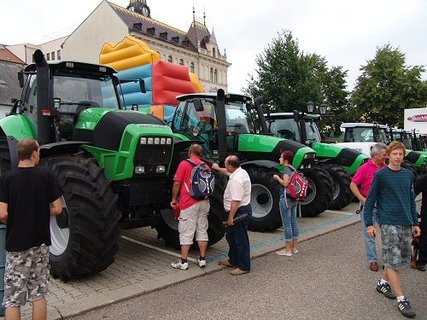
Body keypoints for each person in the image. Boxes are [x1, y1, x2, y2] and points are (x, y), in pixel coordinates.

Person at [0, 138, 63, 320]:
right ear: (34, 153)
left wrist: (18, 217)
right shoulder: (46, 176)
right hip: (40, 243)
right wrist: (41, 211)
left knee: (13, 297)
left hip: (16, 245)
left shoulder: (6, 178)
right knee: (38, 292)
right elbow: (58, 209)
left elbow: (2, 214)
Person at [364, 141, 420, 318]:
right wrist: (369, 224)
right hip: (388, 222)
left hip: (405, 222)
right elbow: (370, 201)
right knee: (393, 260)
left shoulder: (408, 175)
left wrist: (415, 223)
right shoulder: (381, 175)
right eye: (395, 154)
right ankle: (401, 299)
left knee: (398, 259)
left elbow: (411, 200)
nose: (398, 157)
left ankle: (382, 283)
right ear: (388, 155)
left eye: (401, 154)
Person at [170, 143, 210, 270]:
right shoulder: (205, 166)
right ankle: (202, 259)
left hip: (188, 202)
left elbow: (177, 183)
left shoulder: (184, 164)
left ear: (190, 152)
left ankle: (183, 262)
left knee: (186, 231)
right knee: (202, 230)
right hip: (204, 202)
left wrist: (173, 198)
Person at [350, 143, 387, 271]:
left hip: (382, 204)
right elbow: (353, 185)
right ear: (375, 155)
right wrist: (362, 199)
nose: (385, 157)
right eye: (384, 155)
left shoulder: (385, 168)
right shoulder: (364, 168)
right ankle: (373, 260)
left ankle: (387, 260)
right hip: (368, 203)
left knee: (386, 231)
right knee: (370, 233)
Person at [212, 155, 251, 275]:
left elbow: (236, 201)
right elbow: (227, 172)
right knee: (231, 237)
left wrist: (230, 218)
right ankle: (233, 260)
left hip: (238, 212)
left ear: (230, 165)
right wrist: (218, 168)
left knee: (240, 240)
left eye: (225, 164)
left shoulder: (236, 180)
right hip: (238, 210)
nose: (224, 166)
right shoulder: (240, 172)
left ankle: (244, 266)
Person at [273, 151, 299, 256]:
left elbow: (285, 183)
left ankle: (287, 250)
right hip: (294, 198)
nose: (279, 159)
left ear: (285, 159)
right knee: (293, 222)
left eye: (281, 157)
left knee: (287, 224)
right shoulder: (294, 169)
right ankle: (294, 247)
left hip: (286, 198)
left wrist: (277, 178)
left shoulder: (286, 169)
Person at [414, 172, 427, 272]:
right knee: (424, 238)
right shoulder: (423, 180)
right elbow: (411, 197)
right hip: (425, 215)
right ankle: (422, 261)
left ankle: (422, 262)